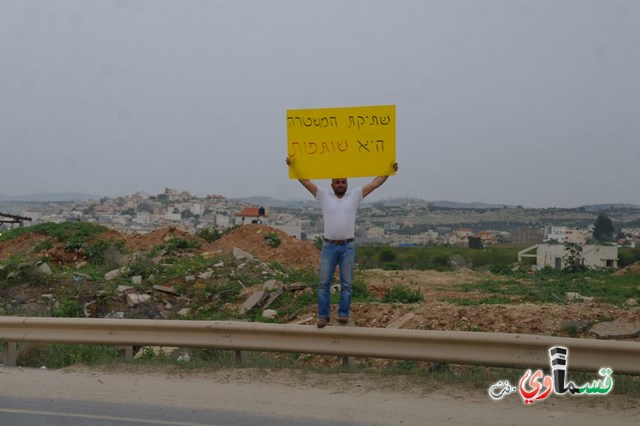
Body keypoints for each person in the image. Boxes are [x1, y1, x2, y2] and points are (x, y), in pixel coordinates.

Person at [286, 157, 398, 328]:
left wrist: (389, 170)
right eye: (337, 182)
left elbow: (375, 183)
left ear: (347, 184)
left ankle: (343, 314)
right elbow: (306, 182)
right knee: (324, 283)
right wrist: (293, 166)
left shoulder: (354, 195)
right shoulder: (324, 196)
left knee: (347, 284)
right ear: (332, 184)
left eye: (343, 182)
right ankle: (323, 316)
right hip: (329, 246)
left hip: (348, 246)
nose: (340, 184)